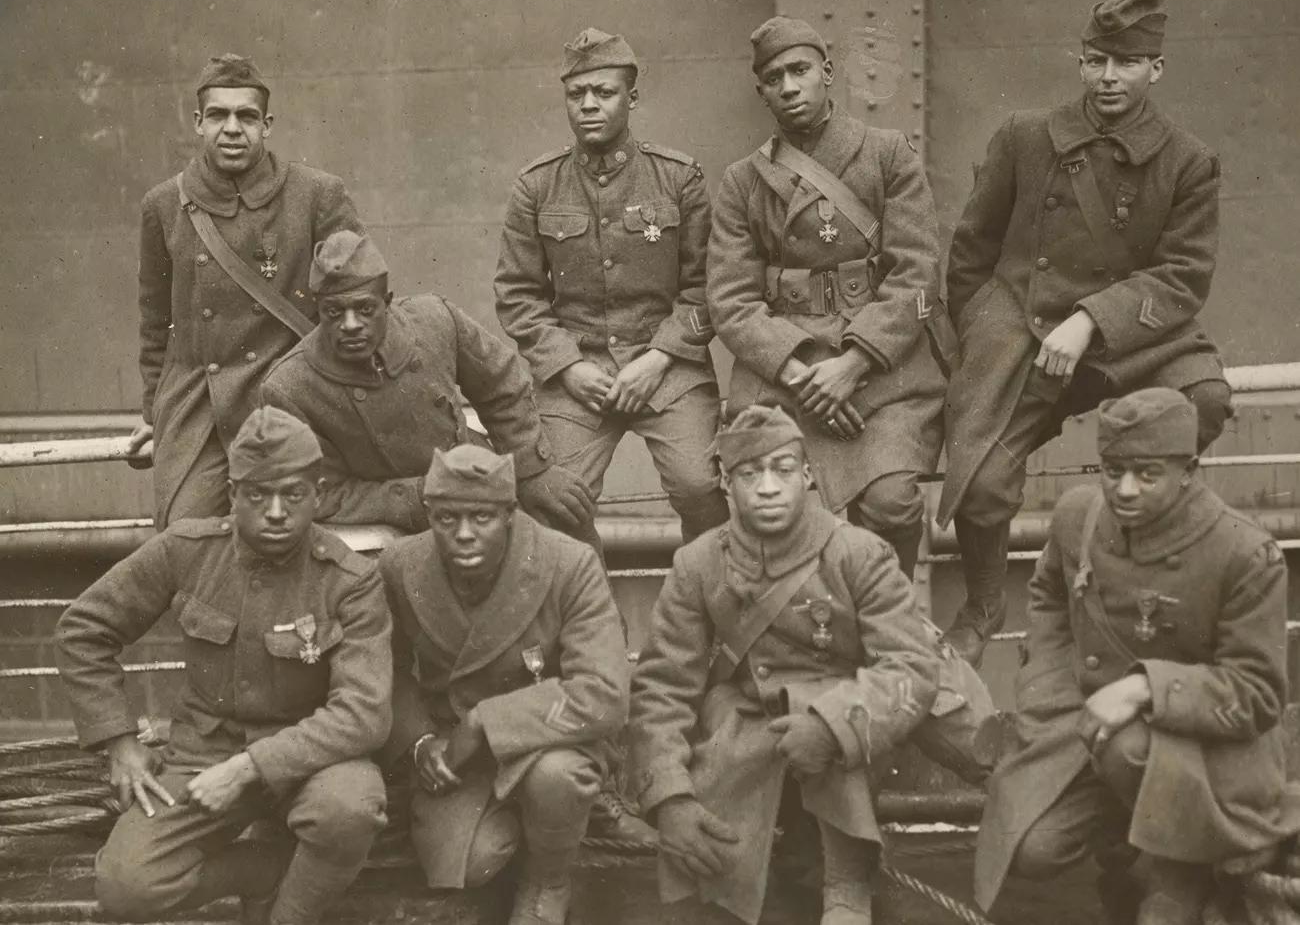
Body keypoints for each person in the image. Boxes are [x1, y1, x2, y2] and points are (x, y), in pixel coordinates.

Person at [938, 0, 1232, 665]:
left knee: (1205, 400)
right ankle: (983, 604)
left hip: (1134, 334)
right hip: (1025, 326)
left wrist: (1090, 321)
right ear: (1080, 63)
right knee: (981, 481)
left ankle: (1133, 553)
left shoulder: (1187, 161)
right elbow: (971, 252)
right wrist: (986, 335)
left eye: (1126, 63)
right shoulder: (1025, 137)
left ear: (1156, 68)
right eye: (1096, 60)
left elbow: (1183, 276)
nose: (1108, 77)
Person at [974, 388, 1299, 925]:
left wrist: (1145, 688)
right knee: (1032, 846)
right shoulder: (1079, 517)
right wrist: (1046, 689)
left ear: (1188, 471)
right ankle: (1132, 853)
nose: (1124, 489)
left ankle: (1181, 871)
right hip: (1090, 727)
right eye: (1113, 470)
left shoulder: (1244, 553)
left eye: (1147, 474)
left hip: (1208, 754)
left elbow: (1259, 694)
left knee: (1127, 748)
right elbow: (1049, 593)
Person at [56, 406, 392, 925]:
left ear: (318, 494)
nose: (276, 512)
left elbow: (364, 713)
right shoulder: (186, 550)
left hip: (310, 762)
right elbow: (83, 629)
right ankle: (261, 871)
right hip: (202, 756)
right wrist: (119, 742)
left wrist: (247, 768)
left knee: (349, 808)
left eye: (293, 495)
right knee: (128, 887)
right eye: (257, 495)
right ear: (233, 494)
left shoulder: (349, 579)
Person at [628, 405, 953, 925]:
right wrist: (668, 797)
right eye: (749, 474)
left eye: (782, 469)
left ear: (807, 475)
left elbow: (910, 667)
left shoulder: (858, 552)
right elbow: (663, 687)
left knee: (835, 720)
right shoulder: (699, 563)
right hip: (746, 724)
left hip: (844, 726)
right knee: (714, 892)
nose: (767, 488)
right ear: (726, 483)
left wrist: (831, 728)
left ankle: (847, 884)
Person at [706, 16, 949, 580]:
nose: (789, 87)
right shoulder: (743, 181)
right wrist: (804, 376)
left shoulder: (887, 154)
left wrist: (854, 363)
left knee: (891, 504)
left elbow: (916, 272)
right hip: (785, 373)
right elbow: (731, 300)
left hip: (882, 368)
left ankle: (887, 609)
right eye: (774, 79)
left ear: (827, 73)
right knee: (766, 505)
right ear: (762, 91)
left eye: (800, 70)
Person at [493, 27, 729, 548]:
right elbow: (518, 295)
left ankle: (708, 591)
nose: (588, 105)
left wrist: (659, 358)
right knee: (555, 499)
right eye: (576, 94)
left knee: (701, 486)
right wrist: (568, 367)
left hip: (668, 367)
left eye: (604, 92)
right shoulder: (536, 185)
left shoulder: (678, 178)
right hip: (578, 370)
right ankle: (588, 598)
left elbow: (707, 287)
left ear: (632, 98)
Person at [379, 444, 630, 925]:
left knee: (557, 778)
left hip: (549, 739)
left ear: (510, 514)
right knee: (472, 863)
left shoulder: (568, 563)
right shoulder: (400, 566)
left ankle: (549, 878)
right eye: (447, 518)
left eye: (482, 517)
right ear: (429, 515)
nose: (464, 534)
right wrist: (419, 741)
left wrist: (485, 722)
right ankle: (532, 830)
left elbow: (605, 693)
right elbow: (382, 670)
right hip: (457, 755)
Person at [128, 53, 364, 527]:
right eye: (218, 115)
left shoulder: (317, 194)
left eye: (247, 116)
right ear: (198, 122)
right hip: (199, 409)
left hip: (290, 401)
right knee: (185, 537)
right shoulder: (164, 205)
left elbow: (360, 302)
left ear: (266, 125)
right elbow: (156, 324)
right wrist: (155, 412)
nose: (232, 129)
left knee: (288, 529)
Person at [260, 230, 595, 539]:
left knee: (565, 519)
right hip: (395, 515)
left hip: (475, 473)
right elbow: (323, 493)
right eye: (334, 312)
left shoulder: (434, 320)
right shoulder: (289, 387)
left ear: (387, 302)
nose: (350, 325)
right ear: (317, 309)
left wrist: (531, 470)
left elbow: (502, 385)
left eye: (365, 309)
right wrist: (421, 495)